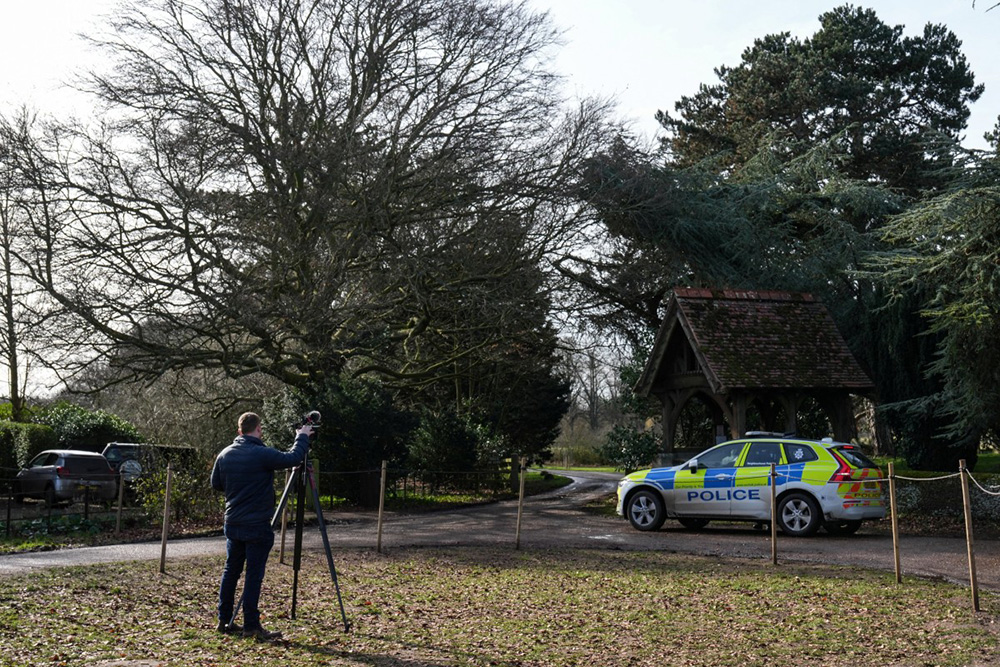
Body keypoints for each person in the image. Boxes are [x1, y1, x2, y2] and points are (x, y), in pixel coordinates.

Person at [211, 411, 312, 640]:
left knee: (231, 571)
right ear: (258, 429)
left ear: (239, 430)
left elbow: (216, 484)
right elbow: (292, 458)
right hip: (256, 524)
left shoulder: (225, 454)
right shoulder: (261, 453)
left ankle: (224, 619)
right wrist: (302, 436)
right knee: (253, 575)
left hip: (233, 520)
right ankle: (252, 625)